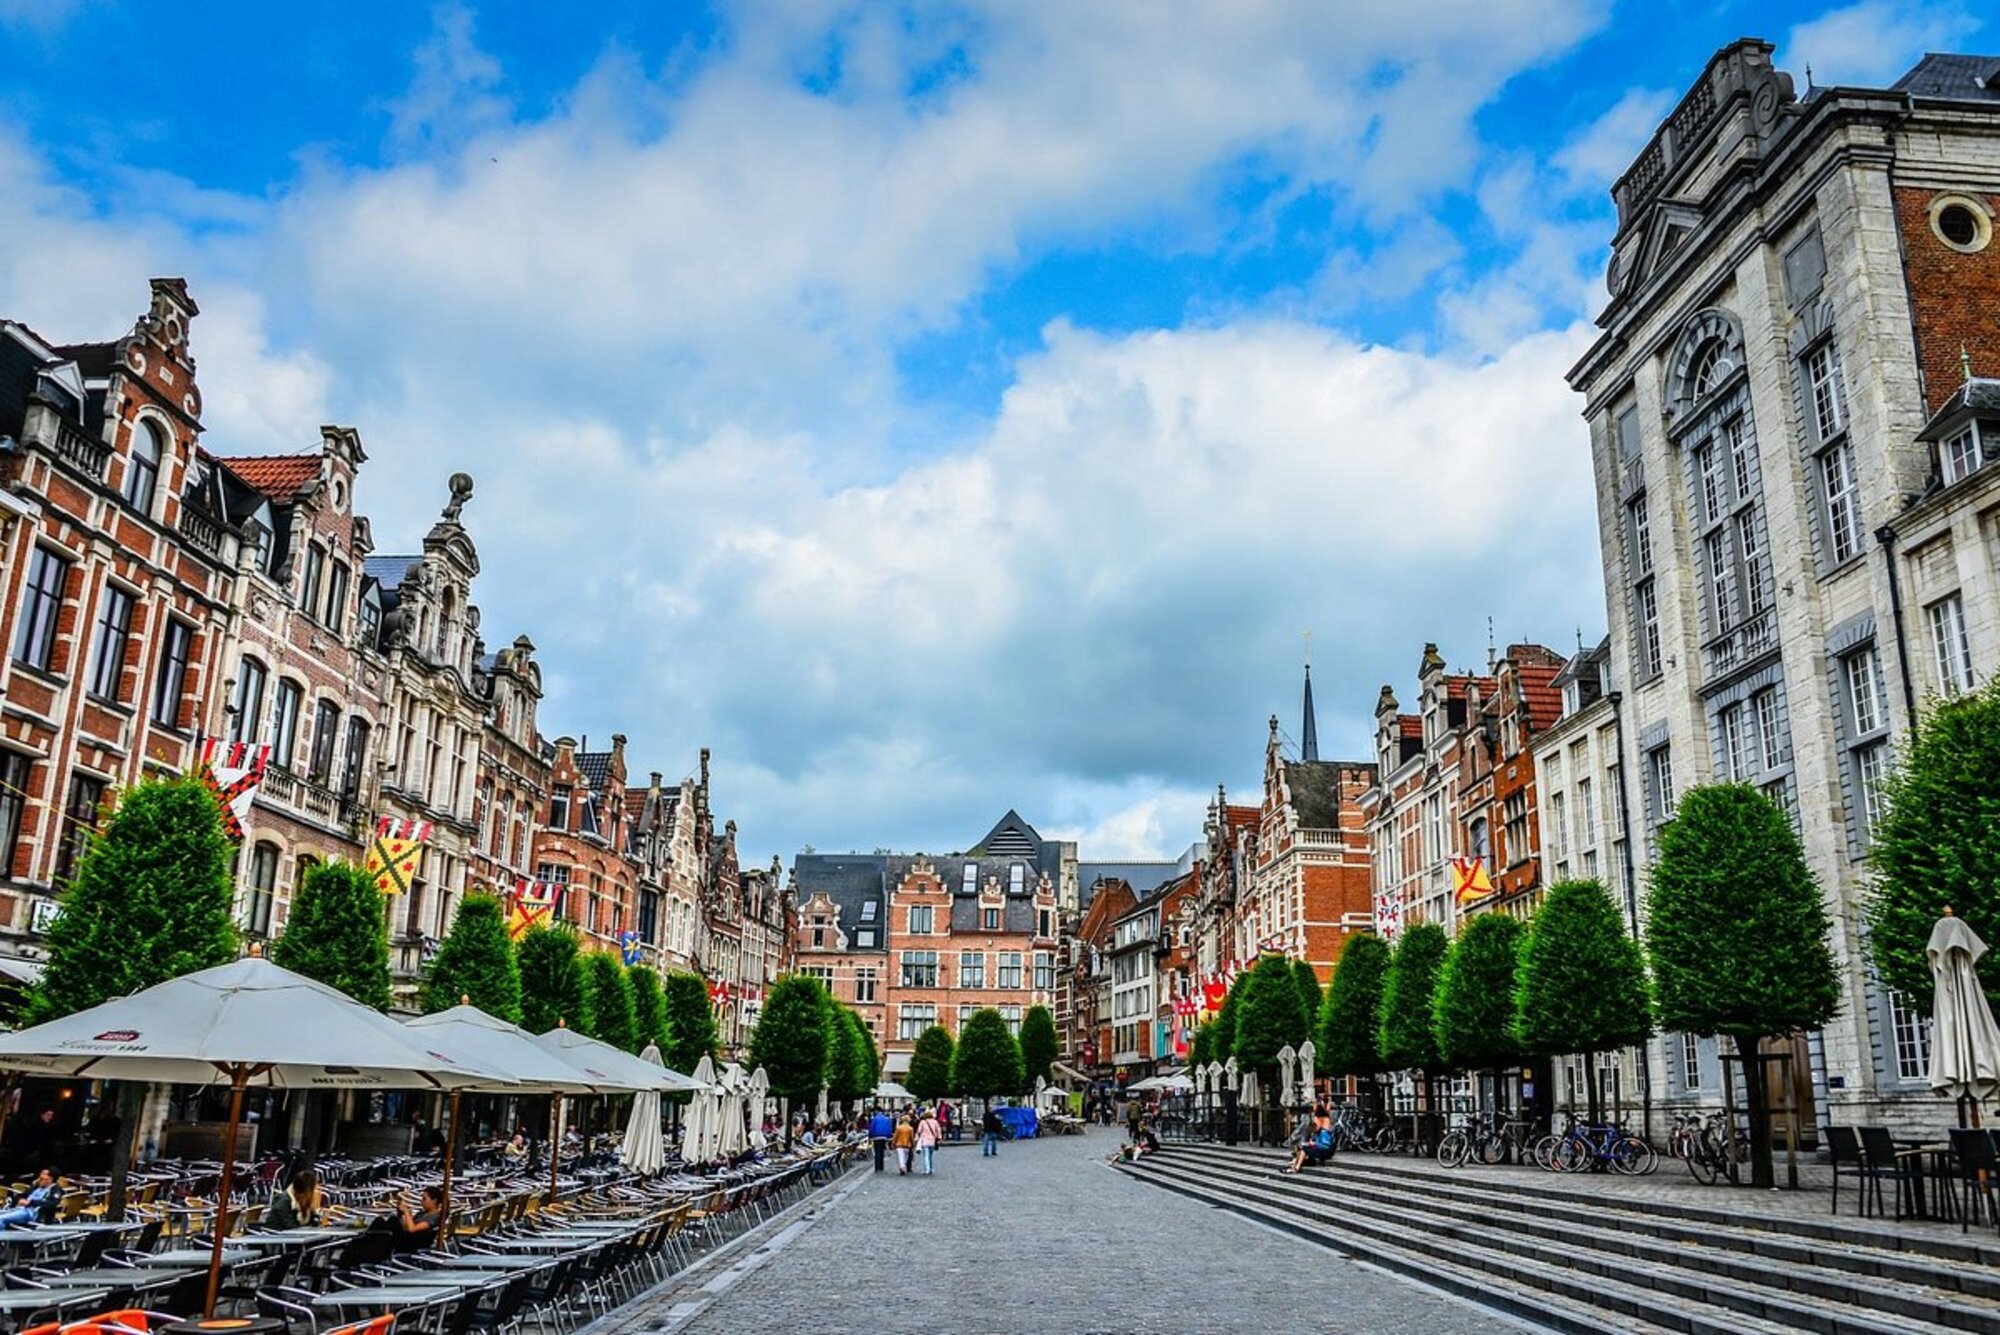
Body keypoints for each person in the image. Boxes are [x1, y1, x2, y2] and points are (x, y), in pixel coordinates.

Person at [1283, 1102, 1336, 1174]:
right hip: (1322, 1150)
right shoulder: (1317, 1133)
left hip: (1326, 1152)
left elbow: (1325, 1146)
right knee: (1302, 1148)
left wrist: (1314, 1144)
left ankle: (1296, 1167)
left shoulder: (1323, 1132)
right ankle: (1294, 1165)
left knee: (1304, 1149)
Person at [390, 1185, 443, 1252]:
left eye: (424, 1199)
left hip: (415, 1243)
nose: (421, 1201)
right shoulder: (422, 1213)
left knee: (390, 1222)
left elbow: (412, 1229)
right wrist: (405, 1215)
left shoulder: (435, 1217)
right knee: (387, 1222)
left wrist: (406, 1212)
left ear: (434, 1201)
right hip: (407, 1239)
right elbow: (407, 1226)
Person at [915, 1106, 941, 1176]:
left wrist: (917, 1138)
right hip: (932, 1141)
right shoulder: (935, 1122)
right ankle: (930, 1168)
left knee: (926, 1155)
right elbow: (938, 1130)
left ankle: (927, 1169)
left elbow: (919, 1131)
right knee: (930, 1156)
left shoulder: (922, 1122)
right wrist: (939, 1138)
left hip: (925, 1141)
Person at [868, 1105, 893, 1172]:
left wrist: (870, 1136)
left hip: (876, 1137)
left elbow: (871, 1128)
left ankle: (877, 1167)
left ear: (876, 1111)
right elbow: (889, 1128)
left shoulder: (875, 1119)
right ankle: (881, 1166)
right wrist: (889, 1136)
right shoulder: (886, 1118)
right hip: (884, 1137)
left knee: (877, 1152)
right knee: (881, 1151)